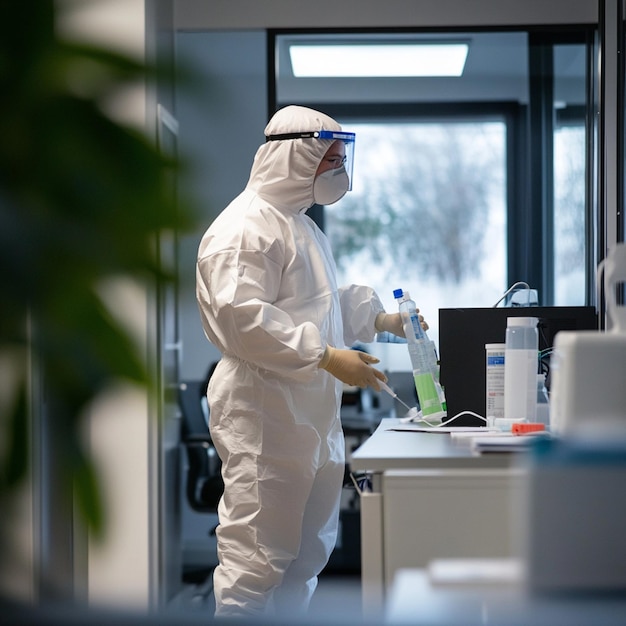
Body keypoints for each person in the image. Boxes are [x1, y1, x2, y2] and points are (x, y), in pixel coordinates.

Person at [196, 105, 414, 618]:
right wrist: (326, 355)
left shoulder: (300, 228)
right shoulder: (244, 229)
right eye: (330, 161)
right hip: (263, 415)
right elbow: (241, 317)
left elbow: (318, 303)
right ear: (297, 158)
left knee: (305, 558)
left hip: (309, 418)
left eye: (342, 160)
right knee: (255, 561)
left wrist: (377, 320)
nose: (339, 173)